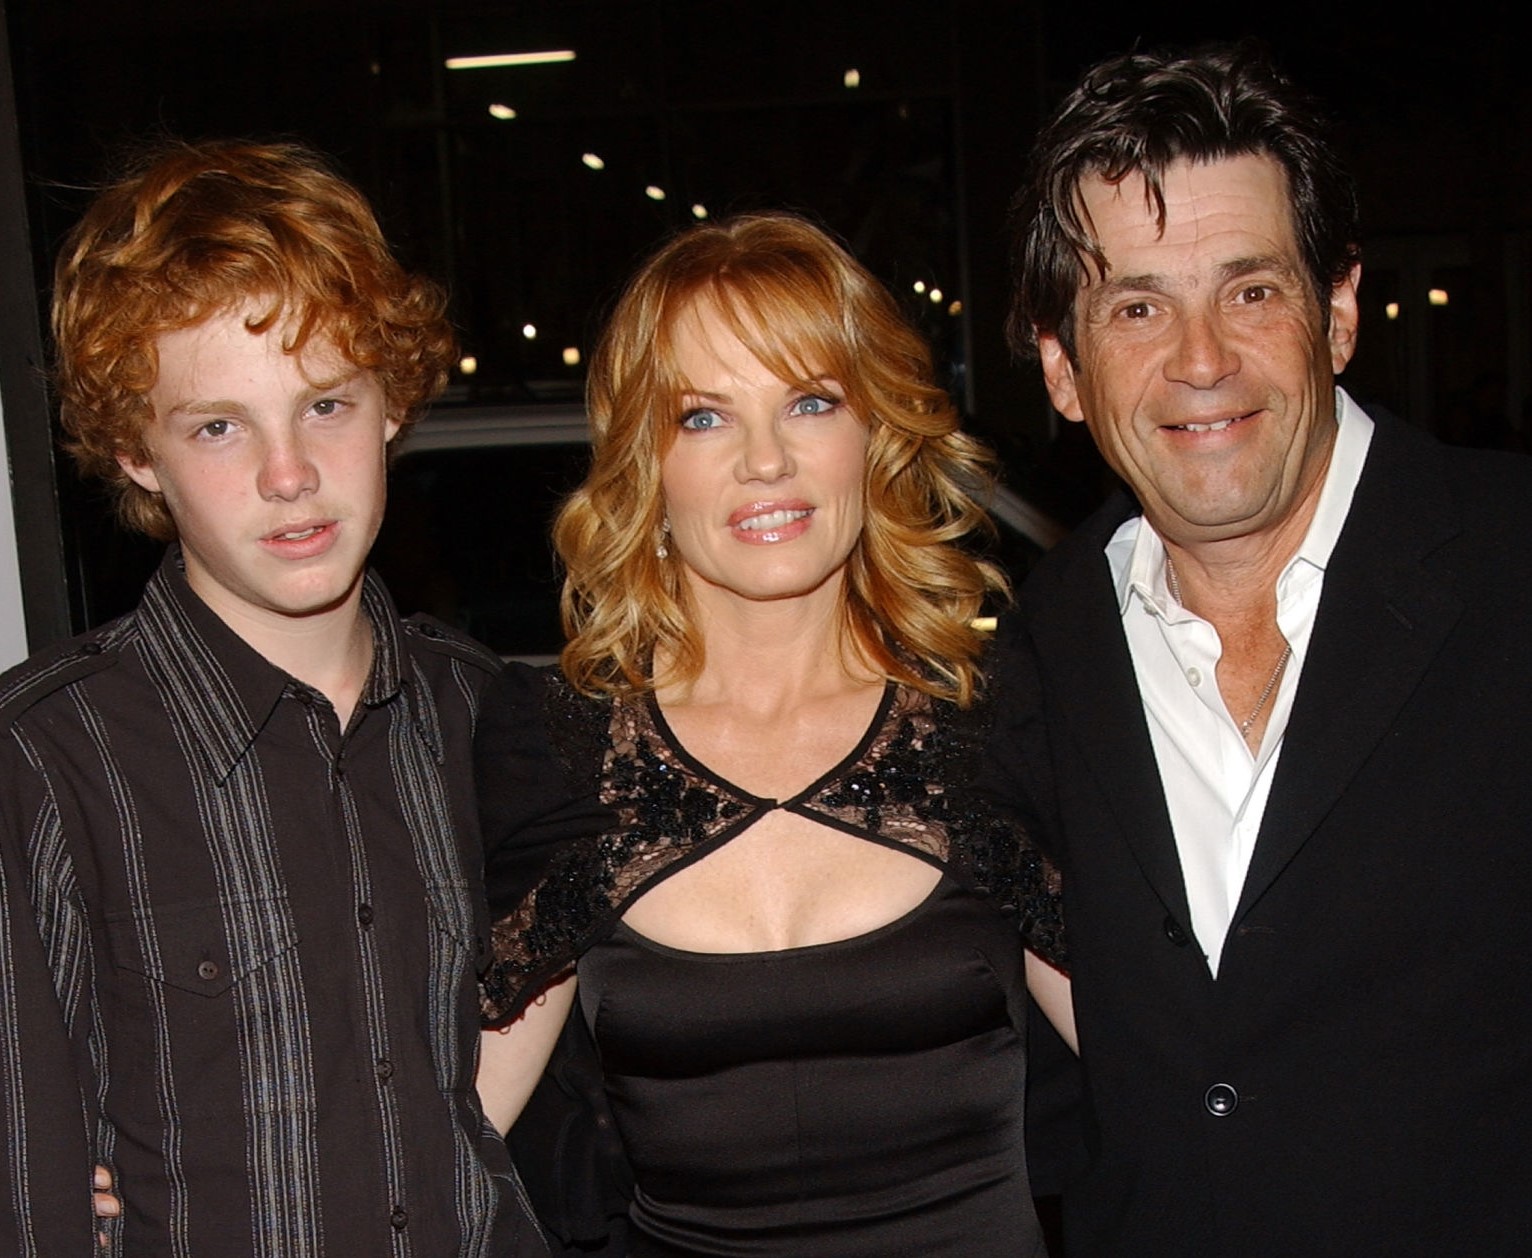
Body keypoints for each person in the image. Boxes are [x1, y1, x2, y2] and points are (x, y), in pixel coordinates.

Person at [1002, 42, 1532, 1256]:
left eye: (1248, 290)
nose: (1199, 360)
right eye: (1136, 305)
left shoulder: (1509, 561)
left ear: (1335, 311)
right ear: (1059, 365)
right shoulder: (1035, 649)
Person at [472, 211, 1074, 1257]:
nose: (763, 460)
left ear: (872, 434)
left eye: (808, 401)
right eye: (702, 417)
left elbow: (1183, 1079)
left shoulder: (992, 725)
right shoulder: (561, 760)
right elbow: (431, 1135)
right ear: (647, 465)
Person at [0, 140, 546, 1255]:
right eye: (217, 425)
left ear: (393, 401)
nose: (287, 472)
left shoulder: (484, 717)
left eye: (326, 406)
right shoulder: (46, 759)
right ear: (135, 451)